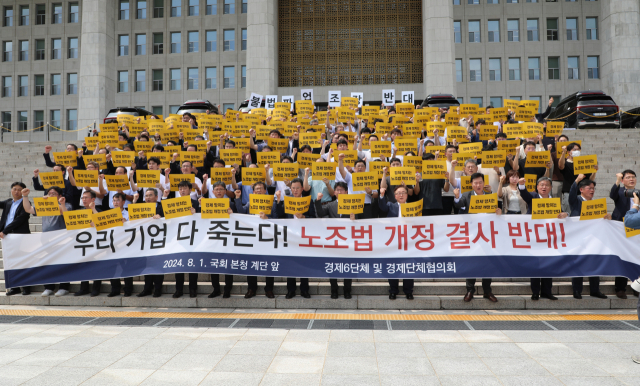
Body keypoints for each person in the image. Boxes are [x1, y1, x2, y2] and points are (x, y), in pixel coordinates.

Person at [454, 173, 501, 303]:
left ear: (483, 183)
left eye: (480, 182)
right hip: (472, 235)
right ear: (471, 184)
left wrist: (499, 212)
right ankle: (470, 290)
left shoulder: (490, 196)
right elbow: (459, 205)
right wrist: (457, 197)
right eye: (475, 183)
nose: (478, 185)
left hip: (487, 235)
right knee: (471, 262)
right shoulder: (466, 195)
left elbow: (496, 212)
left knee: (488, 263)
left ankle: (487, 291)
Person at [518, 176, 567, 300]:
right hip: (534, 236)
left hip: (549, 237)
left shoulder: (554, 200)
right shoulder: (533, 197)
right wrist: (522, 186)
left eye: (546, 185)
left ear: (551, 188)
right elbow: (524, 195)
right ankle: (535, 291)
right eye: (541, 185)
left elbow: (560, 214)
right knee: (535, 264)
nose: (544, 187)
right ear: (537, 187)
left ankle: (547, 291)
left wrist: (565, 214)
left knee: (548, 264)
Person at [20, 187, 72, 296]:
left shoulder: (66, 204)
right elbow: (28, 209)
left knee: (62, 264)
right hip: (46, 240)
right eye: (49, 193)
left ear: (60, 196)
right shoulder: (44, 206)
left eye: (54, 193)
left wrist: (53, 202)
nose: (51, 195)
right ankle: (49, 287)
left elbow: (66, 213)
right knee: (48, 264)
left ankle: (64, 287)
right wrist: (25, 196)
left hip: (61, 240)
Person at [236, 182, 282, 298]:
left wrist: (267, 218)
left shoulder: (271, 202)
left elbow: (277, 218)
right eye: (256, 189)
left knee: (268, 262)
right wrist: (237, 198)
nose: (259, 190)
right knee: (251, 262)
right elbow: (241, 213)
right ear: (253, 192)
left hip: (267, 237)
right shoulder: (250, 203)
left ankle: (269, 289)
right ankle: (252, 288)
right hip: (252, 237)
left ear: (265, 191)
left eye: (261, 188)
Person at [568, 174, 610, 299]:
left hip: (593, 238)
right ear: (581, 190)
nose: (592, 190)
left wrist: (606, 218)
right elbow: (571, 192)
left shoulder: (596, 205)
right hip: (578, 238)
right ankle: (576, 290)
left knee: (594, 263)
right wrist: (577, 180)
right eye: (589, 188)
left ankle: (595, 289)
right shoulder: (576, 201)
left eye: (593, 188)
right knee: (578, 263)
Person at [314, 181, 357, 299]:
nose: (339, 192)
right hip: (334, 240)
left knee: (347, 266)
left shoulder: (353, 204)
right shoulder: (331, 205)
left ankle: (347, 290)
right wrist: (318, 201)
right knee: (333, 266)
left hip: (348, 240)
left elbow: (360, 222)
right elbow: (321, 213)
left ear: (346, 192)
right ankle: (334, 290)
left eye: (341, 190)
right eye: (337, 190)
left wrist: (354, 218)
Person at [278, 178, 317, 298]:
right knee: (290, 263)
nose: (295, 190)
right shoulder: (287, 201)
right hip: (290, 236)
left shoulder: (308, 201)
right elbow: (279, 216)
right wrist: (279, 201)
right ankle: (291, 289)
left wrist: (304, 218)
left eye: (297, 188)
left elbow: (315, 218)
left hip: (303, 236)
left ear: (302, 189)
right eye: (293, 188)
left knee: (303, 263)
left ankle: (304, 289)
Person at [378, 184, 415, 300]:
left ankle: (408, 291)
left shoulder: (413, 207)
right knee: (393, 265)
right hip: (393, 241)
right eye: (398, 193)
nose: (401, 195)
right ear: (395, 196)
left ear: (407, 195)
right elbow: (382, 207)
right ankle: (393, 290)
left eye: (403, 192)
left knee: (408, 265)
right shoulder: (390, 205)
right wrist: (382, 195)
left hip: (408, 241)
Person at [610, 170, 638, 298]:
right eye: (628, 177)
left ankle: (636, 287)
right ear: (623, 181)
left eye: (633, 177)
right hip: (621, 229)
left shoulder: (638, 193)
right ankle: (620, 288)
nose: (631, 179)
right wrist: (617, 181)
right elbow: (612, 194)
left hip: (636, 230)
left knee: (636, 257)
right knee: (623, 257)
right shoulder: (620, 191)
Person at [205, 181, 235, 298]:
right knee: (213, 265)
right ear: (212, 191)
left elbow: (238, 219)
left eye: (221, 189)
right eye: (216, 189)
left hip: (227, 238)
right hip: (213, 238)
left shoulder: (231, 204)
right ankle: (216, 288)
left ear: (225, 191)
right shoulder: (207, 204)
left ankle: (227, 289)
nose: (219, 191)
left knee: (228, 265)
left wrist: (232, 213)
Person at [134, 188, 166, 298]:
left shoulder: (161, 207)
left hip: (158, 241)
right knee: (146, 266)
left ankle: (158, 289)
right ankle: (147, 288)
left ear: (156, 197)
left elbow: (170, 220)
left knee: (157, 266)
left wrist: (161, 218)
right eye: (146, 196)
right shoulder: (141, 207)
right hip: (144, 241)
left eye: (150, 195)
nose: (147, 198)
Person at [2, 182, 32, 296]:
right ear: (11, 190)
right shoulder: (8, 202)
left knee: (24, 262)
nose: (16, 191)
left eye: (19, 189)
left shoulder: (26, 203)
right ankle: (15, 287)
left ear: (23, 191)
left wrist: (5, 230)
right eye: (14, 189)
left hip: (21, 236)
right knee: (11, 262)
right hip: (8, 237)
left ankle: (26, 287)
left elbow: (20, 219)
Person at [173, 181, 201, 298]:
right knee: (178, 265)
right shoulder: (173, 204)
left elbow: (203, 219)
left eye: (185, 188)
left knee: (192, 265)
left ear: (190, 190)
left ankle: (192, 289)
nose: (182, 190)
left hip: (193, 238)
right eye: (180, 189)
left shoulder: (196, 203)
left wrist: (196, 213)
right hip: (178, 238)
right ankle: (179, 289)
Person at [73, 191, 103, 297]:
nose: (84, 200)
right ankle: (84, 288)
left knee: (96, 266)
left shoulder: (98, 211)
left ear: (93, 199)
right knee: (84, 266)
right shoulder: (80, 212)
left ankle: (96, 288)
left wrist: (93, 210)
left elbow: (102, 221)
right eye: (83, 197)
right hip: (83, 243)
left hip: (95, 243)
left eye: (86, 197)